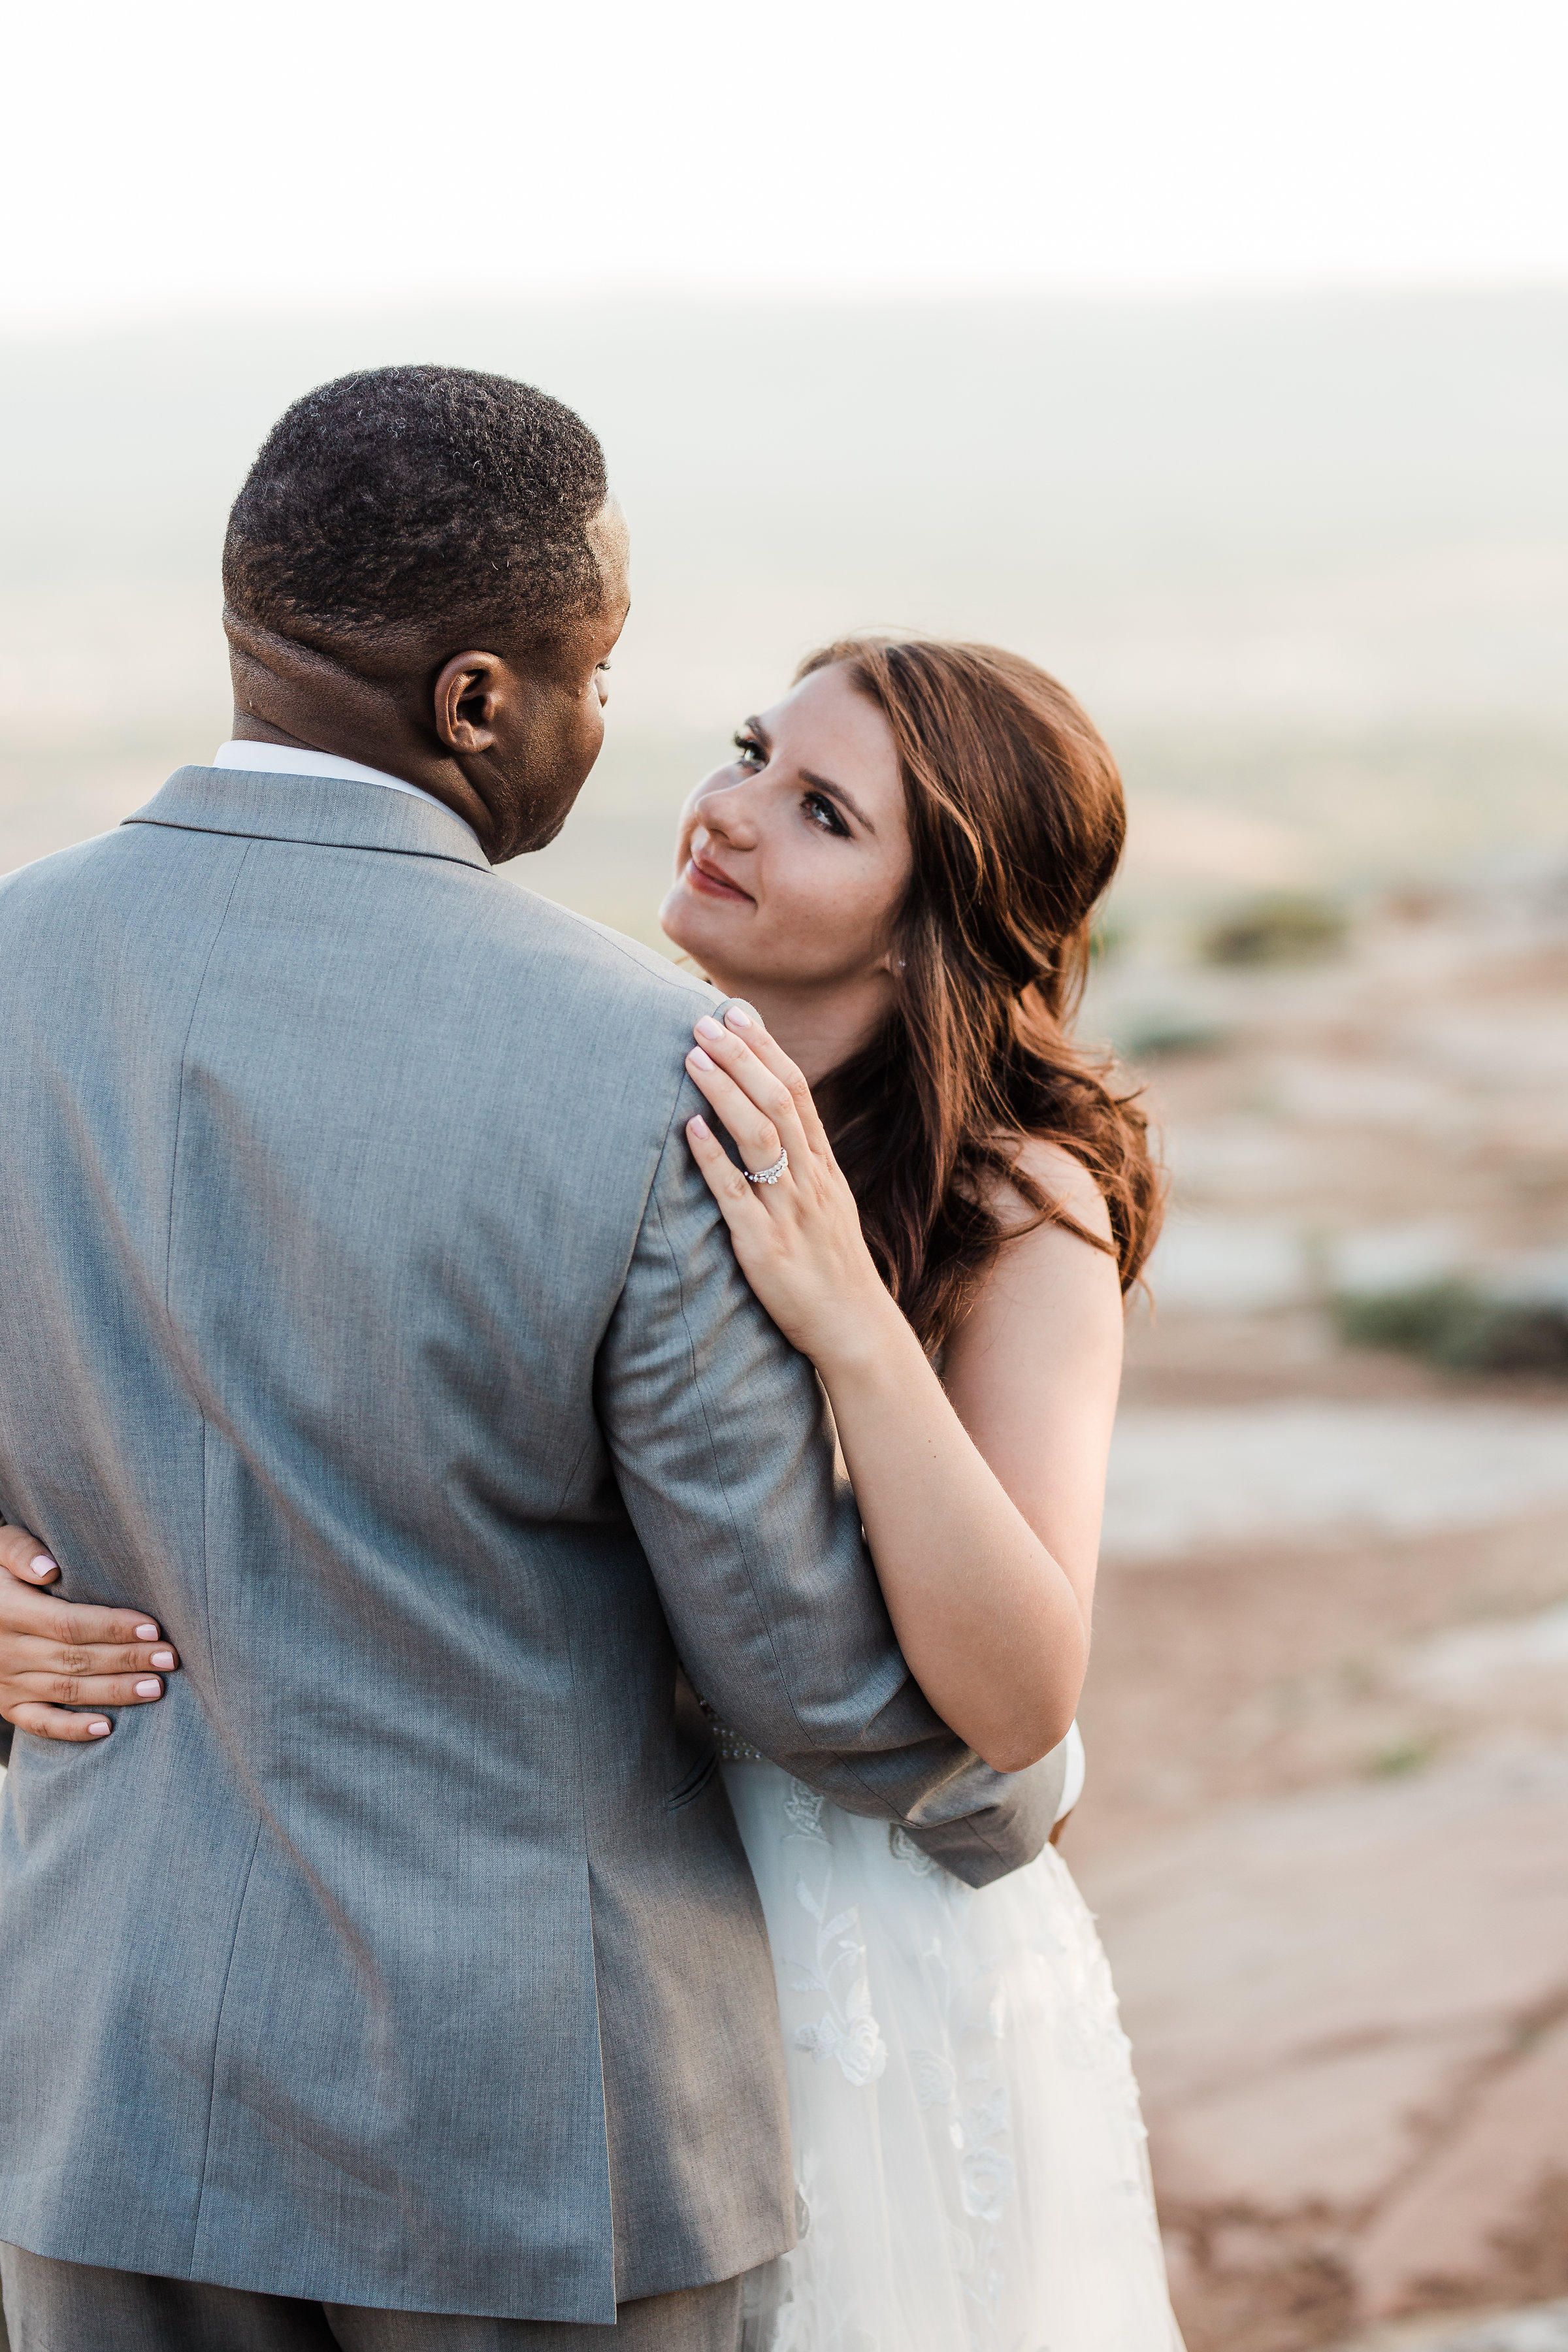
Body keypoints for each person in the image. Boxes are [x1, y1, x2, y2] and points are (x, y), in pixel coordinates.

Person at [0, 368, 1066, 2352]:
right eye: (599, 673)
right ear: (480, 701)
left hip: (101, 2092)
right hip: (526, 2146)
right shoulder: (641, 1066)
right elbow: (797, 1663)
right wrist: (1013, 1783)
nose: (622, 739)